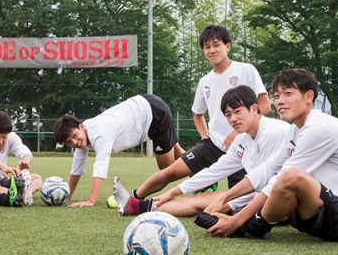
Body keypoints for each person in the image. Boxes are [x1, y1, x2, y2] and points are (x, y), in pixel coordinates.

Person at [202, 68, 338, 242]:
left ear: (309, 96)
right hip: (321, 211)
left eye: (288, 94)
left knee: (290, 176)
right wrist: (224, 199)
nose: (280, 101)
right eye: (276, 96)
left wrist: (238, 220)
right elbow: (267, 170)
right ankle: (247, 222)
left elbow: (282, 178)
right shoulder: (295, 130)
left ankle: (249, 228)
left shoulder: (319, 128)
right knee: (280, 178)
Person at [120, 25, 270, 201]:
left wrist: (237, 133)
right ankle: (132, 199)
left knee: (238, 199)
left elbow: (265, 106)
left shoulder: (246, 70)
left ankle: (208, 195)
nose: (212, 50)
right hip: (213, 144)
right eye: (207, 47)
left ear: (227, 46)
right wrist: (204, 135)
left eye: (216, 45)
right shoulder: (205, 81)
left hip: (243, 145)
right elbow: (197, 114)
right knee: (171, 171)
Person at [115, 86, 290, 220]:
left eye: (237, 112)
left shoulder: (272, 131)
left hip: (279, 202)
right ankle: (137, 205)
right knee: (204, 197)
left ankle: (138, 205)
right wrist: (173, 191)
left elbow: (266, 184)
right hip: (260, 194)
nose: (233, 119)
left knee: (206, 201)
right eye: (228, 115)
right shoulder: (241, 140)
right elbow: (214, 171)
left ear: (254, 108)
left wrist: (229, 206)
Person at [53, 94, 184, 207]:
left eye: (75, 136)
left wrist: (91, 201)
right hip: (146, 105)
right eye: (69, 142)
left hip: (154, 114)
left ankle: (136, 197)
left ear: (81, 126)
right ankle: (203, 175)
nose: (74, 142)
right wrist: (68, 196)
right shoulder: (84, 134)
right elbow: (77, 167)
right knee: (182, 156)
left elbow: (101, 166)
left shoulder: (99, 133)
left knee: (168, 171)